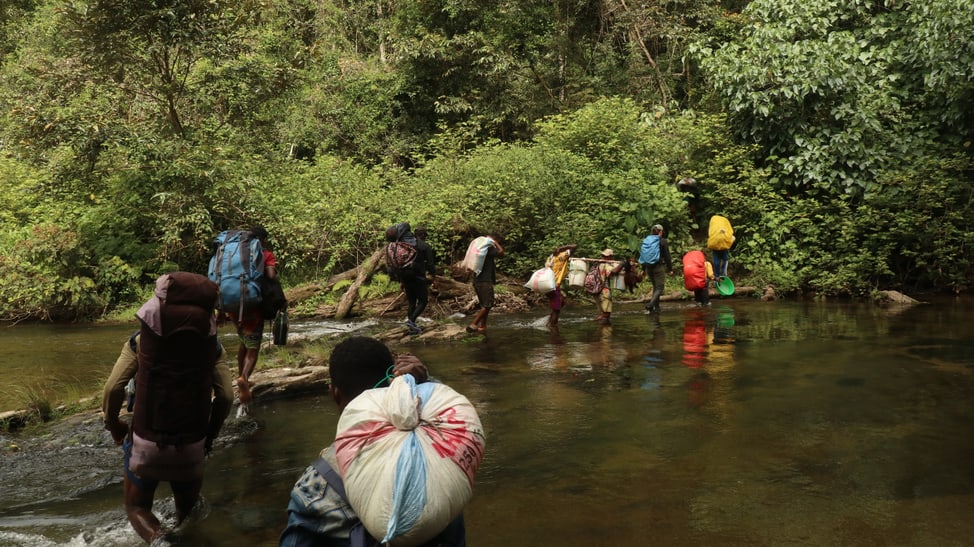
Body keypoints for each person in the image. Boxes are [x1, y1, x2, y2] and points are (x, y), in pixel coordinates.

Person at [279, 336, 467, 546]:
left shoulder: (314, 487)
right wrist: (424, 382)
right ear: (391, 383)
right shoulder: (439, 451)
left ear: (335, 394)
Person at [101, 272, 231, 544]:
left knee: (137, 508)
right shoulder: (214, 349)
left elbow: (113, 388)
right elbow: (226, 397)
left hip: (146, 443)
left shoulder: (139, 343)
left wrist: (114, 424)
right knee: (188, 515)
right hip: (192, 446)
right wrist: (208, 438)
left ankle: (159, 540)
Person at [225, 225, 278, 406]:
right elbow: (271, 276)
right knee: (253, 347)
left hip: (233, 306)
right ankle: (244, 378)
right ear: (262, 239)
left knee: (244, 340)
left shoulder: (235, 254)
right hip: (253, 306)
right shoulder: (265, 254)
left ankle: (241, 376)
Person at [466, 234, 504, 334]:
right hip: (484, 281)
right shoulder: (489, 248)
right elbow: (501, 253)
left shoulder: (483, 250)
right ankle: (473, 324)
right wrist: (495, 242)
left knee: (485, 305)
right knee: (487, 305)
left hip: (478, 281)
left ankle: (483, 326)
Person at [401, 225, 436, 335]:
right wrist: (433, 275)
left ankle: (411, 326)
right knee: (423, 301)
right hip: (419, 277)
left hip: (406, 277)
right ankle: (411, 321)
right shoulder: (425, 246)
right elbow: (430, 264)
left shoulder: (405, 246)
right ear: (423, 235)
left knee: (412, 302)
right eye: (425, 235)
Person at [642, 224, 673, 314]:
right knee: (660, 287)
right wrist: (670, 269)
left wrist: (643, 269)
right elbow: (667, 256)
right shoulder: (662, 241)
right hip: (658, 267)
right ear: (661, 232)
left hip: (648, 267)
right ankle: (651, 304)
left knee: (655, 287)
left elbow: (643, 255)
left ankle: (656, 308)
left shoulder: (646, 241)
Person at [545, 244, 577, 327]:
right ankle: (553, 326)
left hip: (548, 285)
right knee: (557, 309)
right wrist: (562, 248)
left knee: (561, 302)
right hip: (554, 285)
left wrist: (560, 249)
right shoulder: (562, 256)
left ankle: (550, 320)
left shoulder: (550, 258)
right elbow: (574, 246)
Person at [594, 249, 623, 325]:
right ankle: (605, 329)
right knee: (606, 314)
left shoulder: (598, 263)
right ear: (610, 256)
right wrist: (622, 264)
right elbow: (614, 272)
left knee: (602, 311)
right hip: (604, 290)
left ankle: (601, 327)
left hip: (596, 289)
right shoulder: (605, 264)